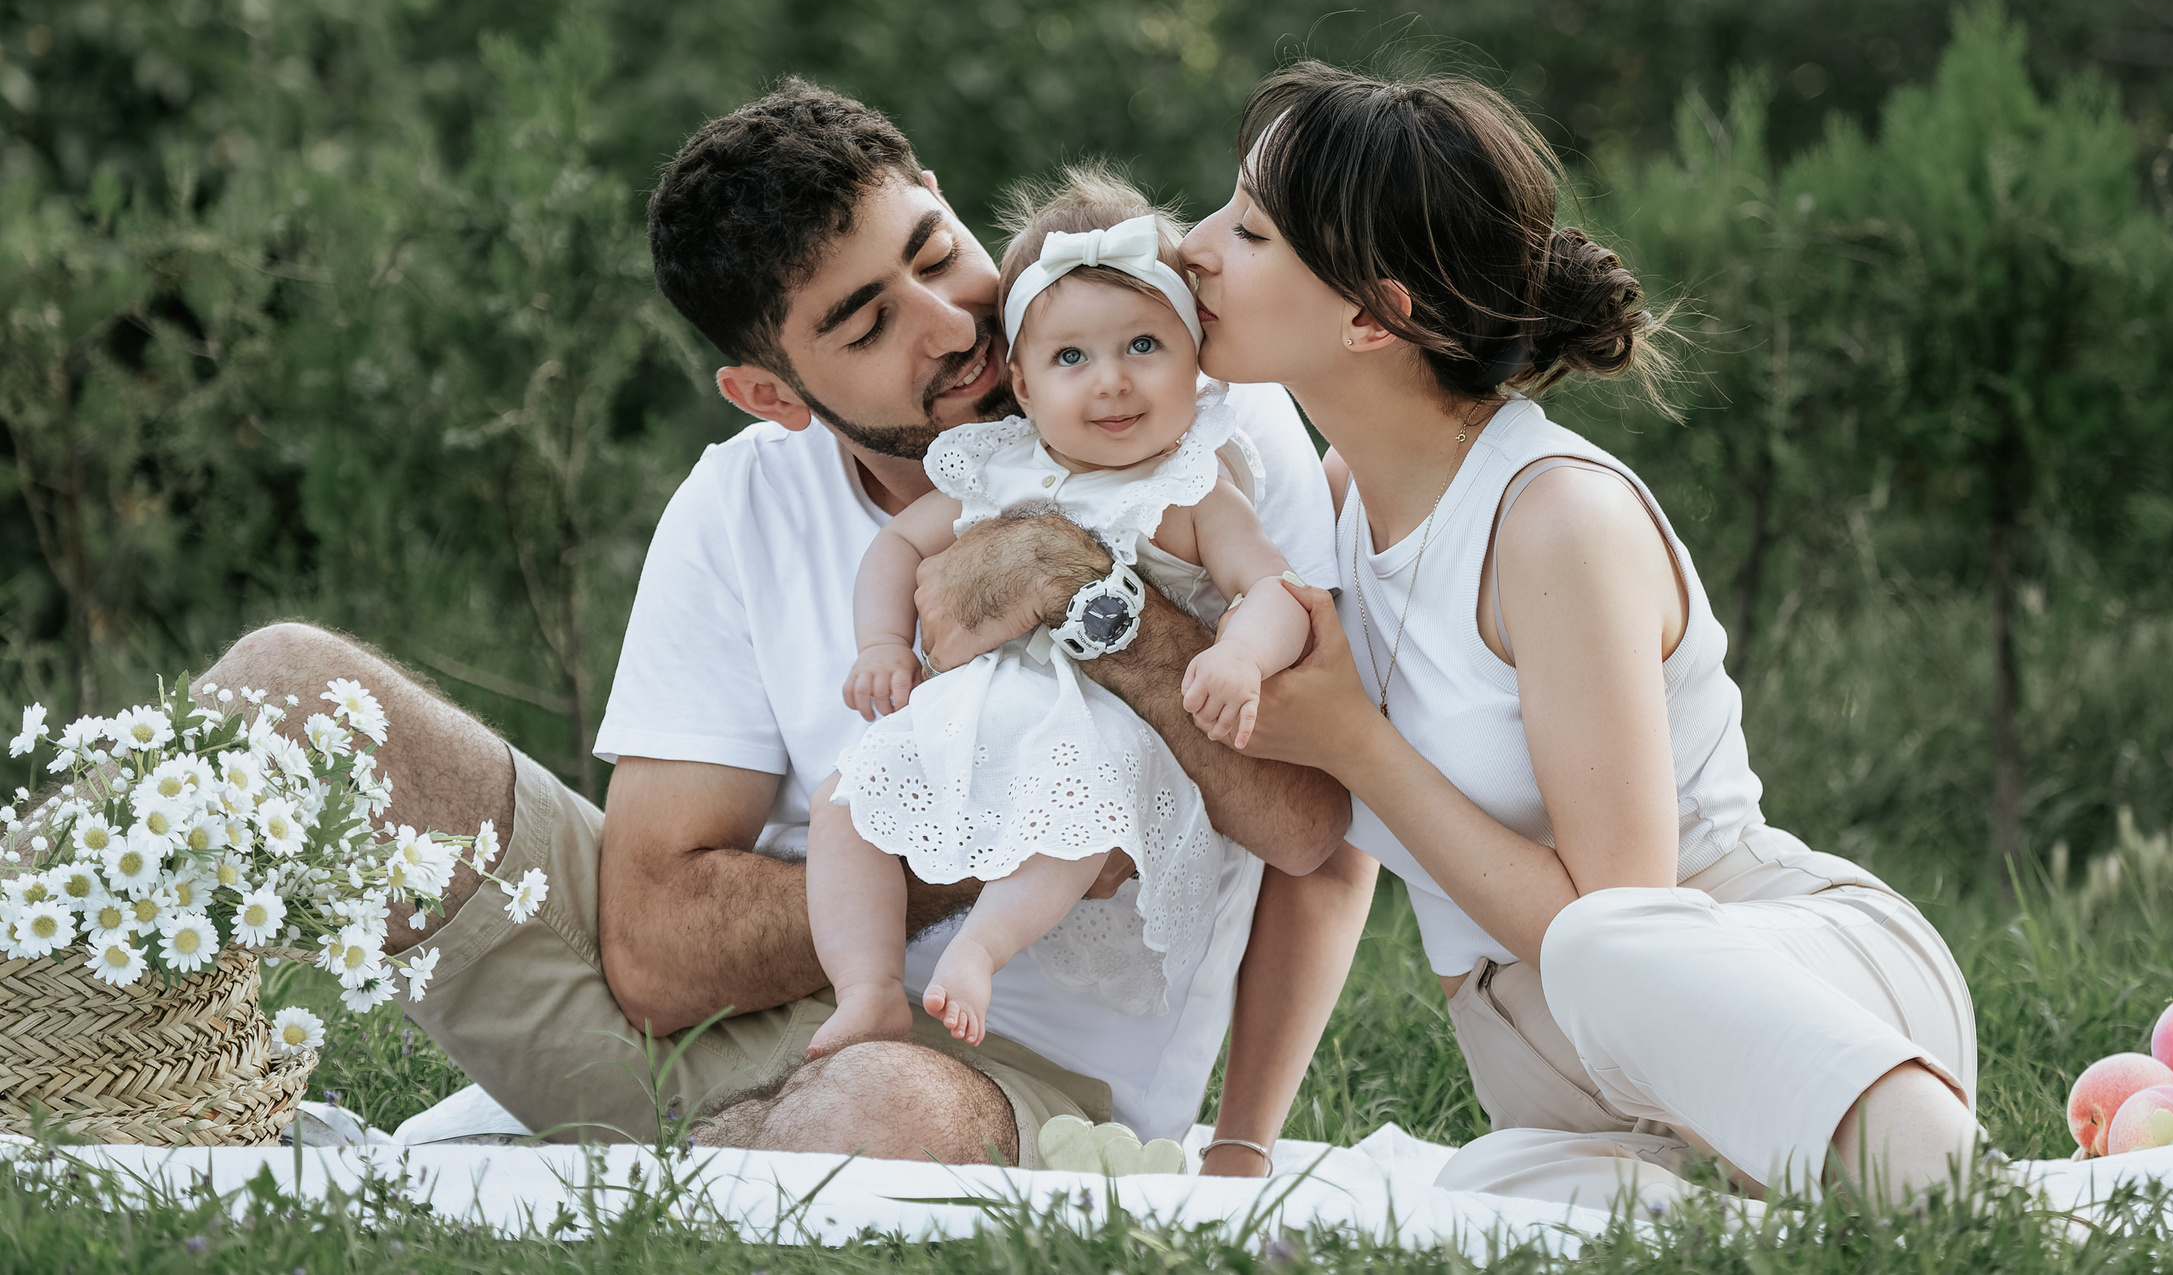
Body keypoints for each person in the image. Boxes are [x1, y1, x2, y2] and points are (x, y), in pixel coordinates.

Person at [194, 79, 1372, 1172]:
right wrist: (956, 838)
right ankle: (88, 1064)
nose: (953, 325)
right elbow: (653, 952)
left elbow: (1314, 828)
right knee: (284, 686)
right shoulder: (738, 501)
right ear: (773, 393)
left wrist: (1081, 597)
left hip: (996, 1076)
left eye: (937, 254)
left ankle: (624, 1180)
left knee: (873, 1115)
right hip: (707, 1034)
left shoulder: (1196, 417)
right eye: (865, 325)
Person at [1174, 61, 1981, 1207]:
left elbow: (1624, 929)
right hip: (1557, 1072)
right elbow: (1318, 851)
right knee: (1458, 1202)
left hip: (1779, 989)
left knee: (1608, 949)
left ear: (1373, 314)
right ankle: (1825, 1207)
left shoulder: (1552, 517)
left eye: (1248, 231)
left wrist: (1357, 746)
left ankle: (1969, 1197)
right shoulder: (1339, 500)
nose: (1192, 247)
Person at [811, 174, 1311, 1054]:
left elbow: (1273, 589)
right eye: (1071, 358)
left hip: (1106, 720)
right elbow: (896, 548)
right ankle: (869, 987)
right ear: (1023, 385)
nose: (1112, 383)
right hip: (978, 703)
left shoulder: (1192, 487)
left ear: (1198, 359)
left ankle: (982, 946)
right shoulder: (996, 464)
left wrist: (1241, 656)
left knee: (1078, 816)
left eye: (1145, 344)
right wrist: (882, 642)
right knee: (844, 800)